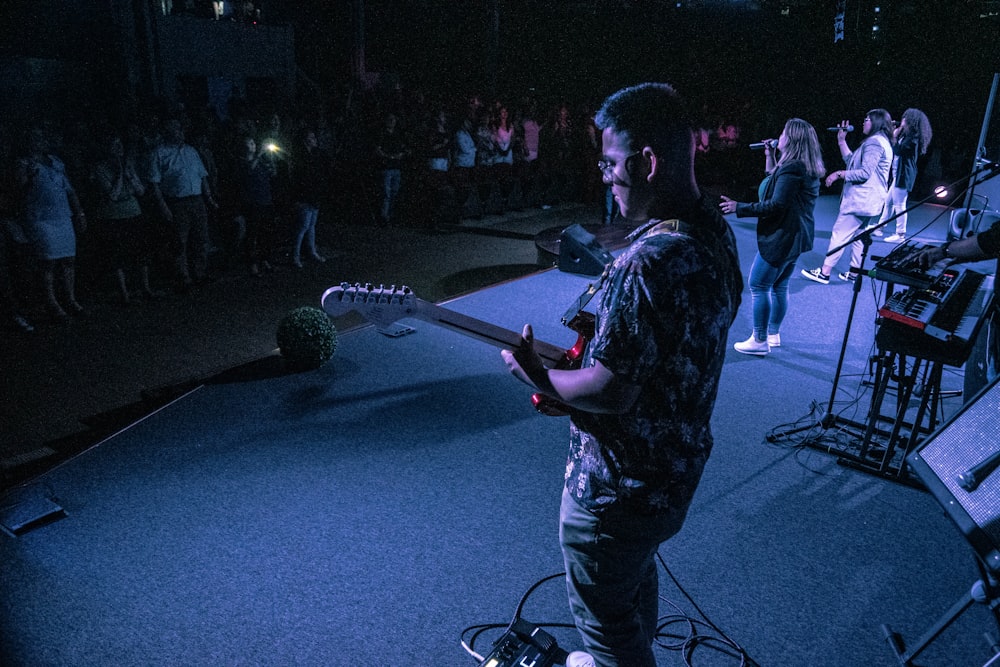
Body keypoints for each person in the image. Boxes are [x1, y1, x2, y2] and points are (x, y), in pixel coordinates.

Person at [500, 83, 743, 667]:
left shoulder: (647, 262)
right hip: (672, 473)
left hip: (615, 489)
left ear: (647, 162)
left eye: (611, 164)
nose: (605, 177)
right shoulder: (712, 230)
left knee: (606, 626)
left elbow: (611, 388)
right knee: (633, 587)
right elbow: (663, 363)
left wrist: (540, 378)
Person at [720, 118, 825, 355]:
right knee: (779, 285)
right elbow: (777, 182)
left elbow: (776, 203)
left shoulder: (792, 168)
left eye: (783, 132)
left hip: (783, 237)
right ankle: (772, 334)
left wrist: (740, 207)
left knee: (758, 284)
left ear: (793, 139)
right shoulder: (801, 166)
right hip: (797, 236)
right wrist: (769, 154)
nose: (780, 135)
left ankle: (759, 340)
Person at [801, 109, 893, 284]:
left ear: (877, 122)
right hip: (871, 201)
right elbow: (852, 162)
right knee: (858, 237)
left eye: (867, 119)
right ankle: (854, 273)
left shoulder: (874, 143)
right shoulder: (881, 142)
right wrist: (841, 141)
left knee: (840, 233)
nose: (863, 122)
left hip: (861, 200)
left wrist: (838, 174)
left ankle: (824, 272)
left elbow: (864, 173)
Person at [14, 126, 88, 319]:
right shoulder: (22, 163)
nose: (39, 141)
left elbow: (69, 189)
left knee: (68, 259)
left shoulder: (55, 162)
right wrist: (28, 177)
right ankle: (51, 301)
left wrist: (79, 213)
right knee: (49, 261)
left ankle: (70, 299)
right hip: (41, 219)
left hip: (62, 216)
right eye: (34, 138)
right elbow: (19, 190)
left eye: (41, 138)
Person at [147, 117, 219, 292]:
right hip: (177, 202)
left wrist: (208, 198)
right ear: (168, 132)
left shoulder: (191, 151)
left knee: (200, 237)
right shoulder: (159, 153)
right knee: (180, 241)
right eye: (176, 129)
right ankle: (183, 277)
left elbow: (202, 176)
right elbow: (154, 183)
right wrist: (163, 206)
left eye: (180, 129)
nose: (180, 132)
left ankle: (199, 273)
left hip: (197, 199)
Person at [873, 108, 933, 243]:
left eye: (905, 118)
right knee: (888, 202)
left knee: (899, 205)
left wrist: (894, 136)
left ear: (911, 121)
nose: (903, 120)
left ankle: (900, 234)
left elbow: (898, 151)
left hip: (904, 176)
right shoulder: (906, 136)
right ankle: (879, 228)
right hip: (897, 175)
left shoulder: (914, 139)